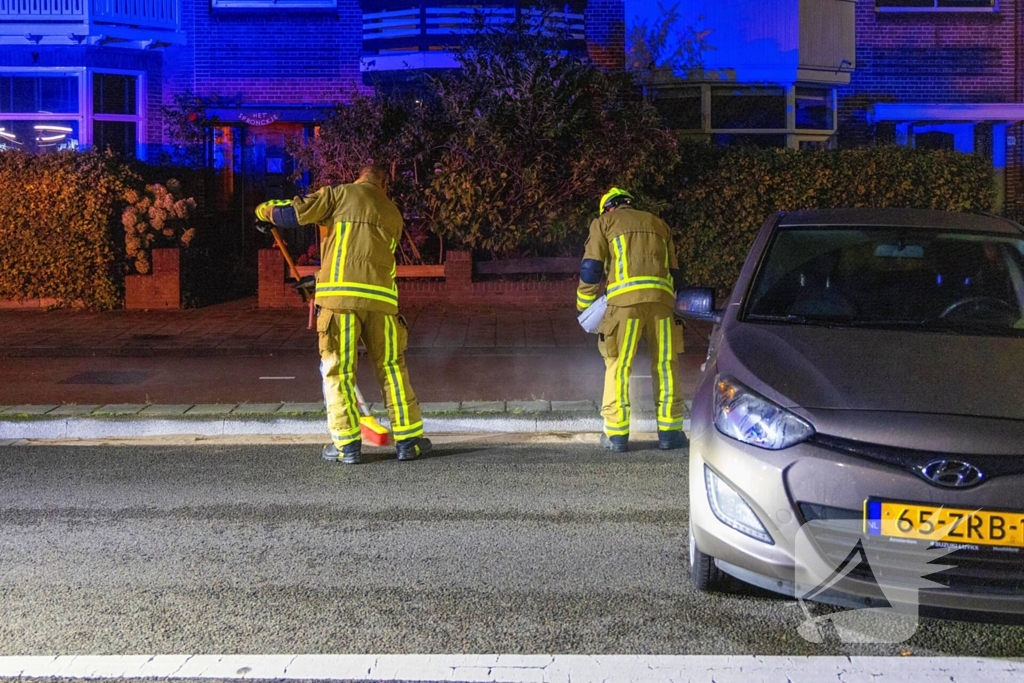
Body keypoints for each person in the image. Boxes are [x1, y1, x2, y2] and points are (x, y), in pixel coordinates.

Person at [255, 165, 431, 465]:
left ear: (358, 178)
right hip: (382, 304)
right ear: (383, 186)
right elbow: (367, 256)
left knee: (338, 371)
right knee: (392, 369)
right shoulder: (392, 212)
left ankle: (346, 446)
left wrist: (262, 212)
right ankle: (409, 441)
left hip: (340, 304)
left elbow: (293, 213)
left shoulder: (340, 195)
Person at [576, 188, 688, 453]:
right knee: (665, 364)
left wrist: (584, 305)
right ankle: (670, 433)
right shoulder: (658, 223)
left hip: (624, 306)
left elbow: (591, 267)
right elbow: (675, 272)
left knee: (618, 364)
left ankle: (616, 435)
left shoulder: (603, 223)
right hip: (661, 303)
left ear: (608, 208)